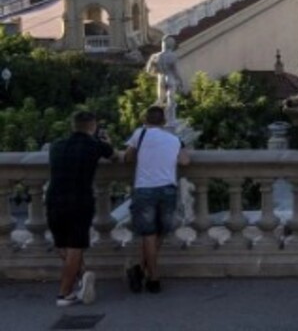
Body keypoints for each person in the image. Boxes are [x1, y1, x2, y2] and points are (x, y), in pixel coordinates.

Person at [46, 111, 116, 307]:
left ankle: (84, 275)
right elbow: (115, 156)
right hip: (79, 200)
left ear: (73, 126)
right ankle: (64, 293)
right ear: (92, 127)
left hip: (53, 198)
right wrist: (107, 141)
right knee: (75, 246)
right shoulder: (94, 146)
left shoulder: (56, 146)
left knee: (61, 245)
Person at [124, 106, 191, 295]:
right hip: (167, 189)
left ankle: (151, 277)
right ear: (163, 122)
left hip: (145, 189)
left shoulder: (140, 134)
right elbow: (185, 161)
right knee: (160, 233)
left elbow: (128, 157)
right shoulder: (174, 139)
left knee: (148, 235)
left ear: (145, 120)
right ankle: (143, 272)